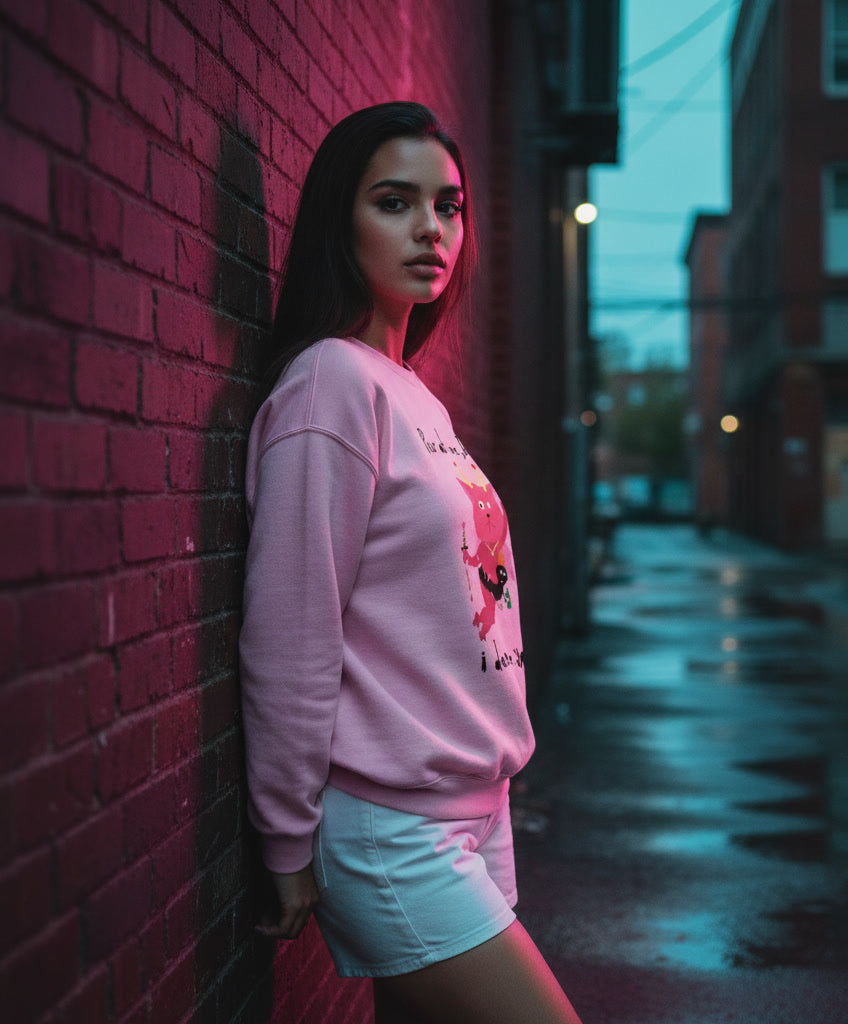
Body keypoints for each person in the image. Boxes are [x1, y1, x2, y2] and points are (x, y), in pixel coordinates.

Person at [239, 102, 582, 1024]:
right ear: (338, 222)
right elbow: (291, 630)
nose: (432, 230)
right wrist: (283, 839)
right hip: (394, 828)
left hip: (475, 806)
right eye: (395, 203)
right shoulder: (330, 385)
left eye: (450, 206)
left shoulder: (410, 393)